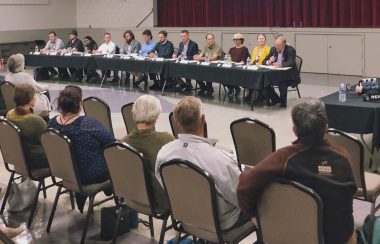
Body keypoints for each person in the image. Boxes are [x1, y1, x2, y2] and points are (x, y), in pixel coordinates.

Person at [237, 98, 357, 244]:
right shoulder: (344, 156)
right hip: (339, 238)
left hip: (295, 236)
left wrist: (253, 215)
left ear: (294, 131)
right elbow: (351, 191)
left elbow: (245, 183)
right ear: (326, 128)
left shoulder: (283, 157)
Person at [155, 96, 247, 230]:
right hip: (220, 222)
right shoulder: (221, 160)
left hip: (185, 216)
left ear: (176, 121)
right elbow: (240, 197)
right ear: (203, 119)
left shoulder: (164, 154)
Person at [48, 85, 116, 212]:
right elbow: (112, 143)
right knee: (120, 158)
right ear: (80, 104)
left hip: (64, 173)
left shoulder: (51, 124)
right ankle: (113, 190)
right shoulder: (88, 123)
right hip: (89, 175)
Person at [122, 95, 174, 212]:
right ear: (156, 116)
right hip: (160, 201)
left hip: (131, 197)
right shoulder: (166, 139)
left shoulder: (122, 144)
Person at [6, 84, 49, 169]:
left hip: (18, 157)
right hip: (35, 159)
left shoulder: (9, 114)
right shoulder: (35, 120)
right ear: (30, 100)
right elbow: (48, 140)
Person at [6, 53, 50, 118]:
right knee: (46, 92)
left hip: (13, 103)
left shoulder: (7, 76)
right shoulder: (25, 76)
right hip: (26, 103)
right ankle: (46, 116)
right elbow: (38, 88)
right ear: (20, 65)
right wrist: (46, 86)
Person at [262, 34, 301, 108]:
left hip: (289, 75)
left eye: (278, 45)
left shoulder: (290, 50)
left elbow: (291, 62)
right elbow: (264, 61)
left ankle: (283, 102)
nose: (276, 47)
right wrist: (269, 61)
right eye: (276, 45)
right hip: (276, 74)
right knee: (265, 81)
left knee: (282, 83)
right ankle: (276, 99)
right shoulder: (273, 49)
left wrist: (280, 65)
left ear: (284, 44)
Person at [244, 33, 271, 104]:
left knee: (257, 78)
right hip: (255, 68)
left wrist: (259, 63)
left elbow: (267, 61)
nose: (261, 40)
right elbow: (252, 60)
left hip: (263, 69)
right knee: (248, 76)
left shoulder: (268, 49)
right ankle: (250, 95)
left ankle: (260, 97)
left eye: (262, 38)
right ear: (257, 40)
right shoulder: (255, 48)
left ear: (265, 40)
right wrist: (255, 61)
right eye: (259, 38)